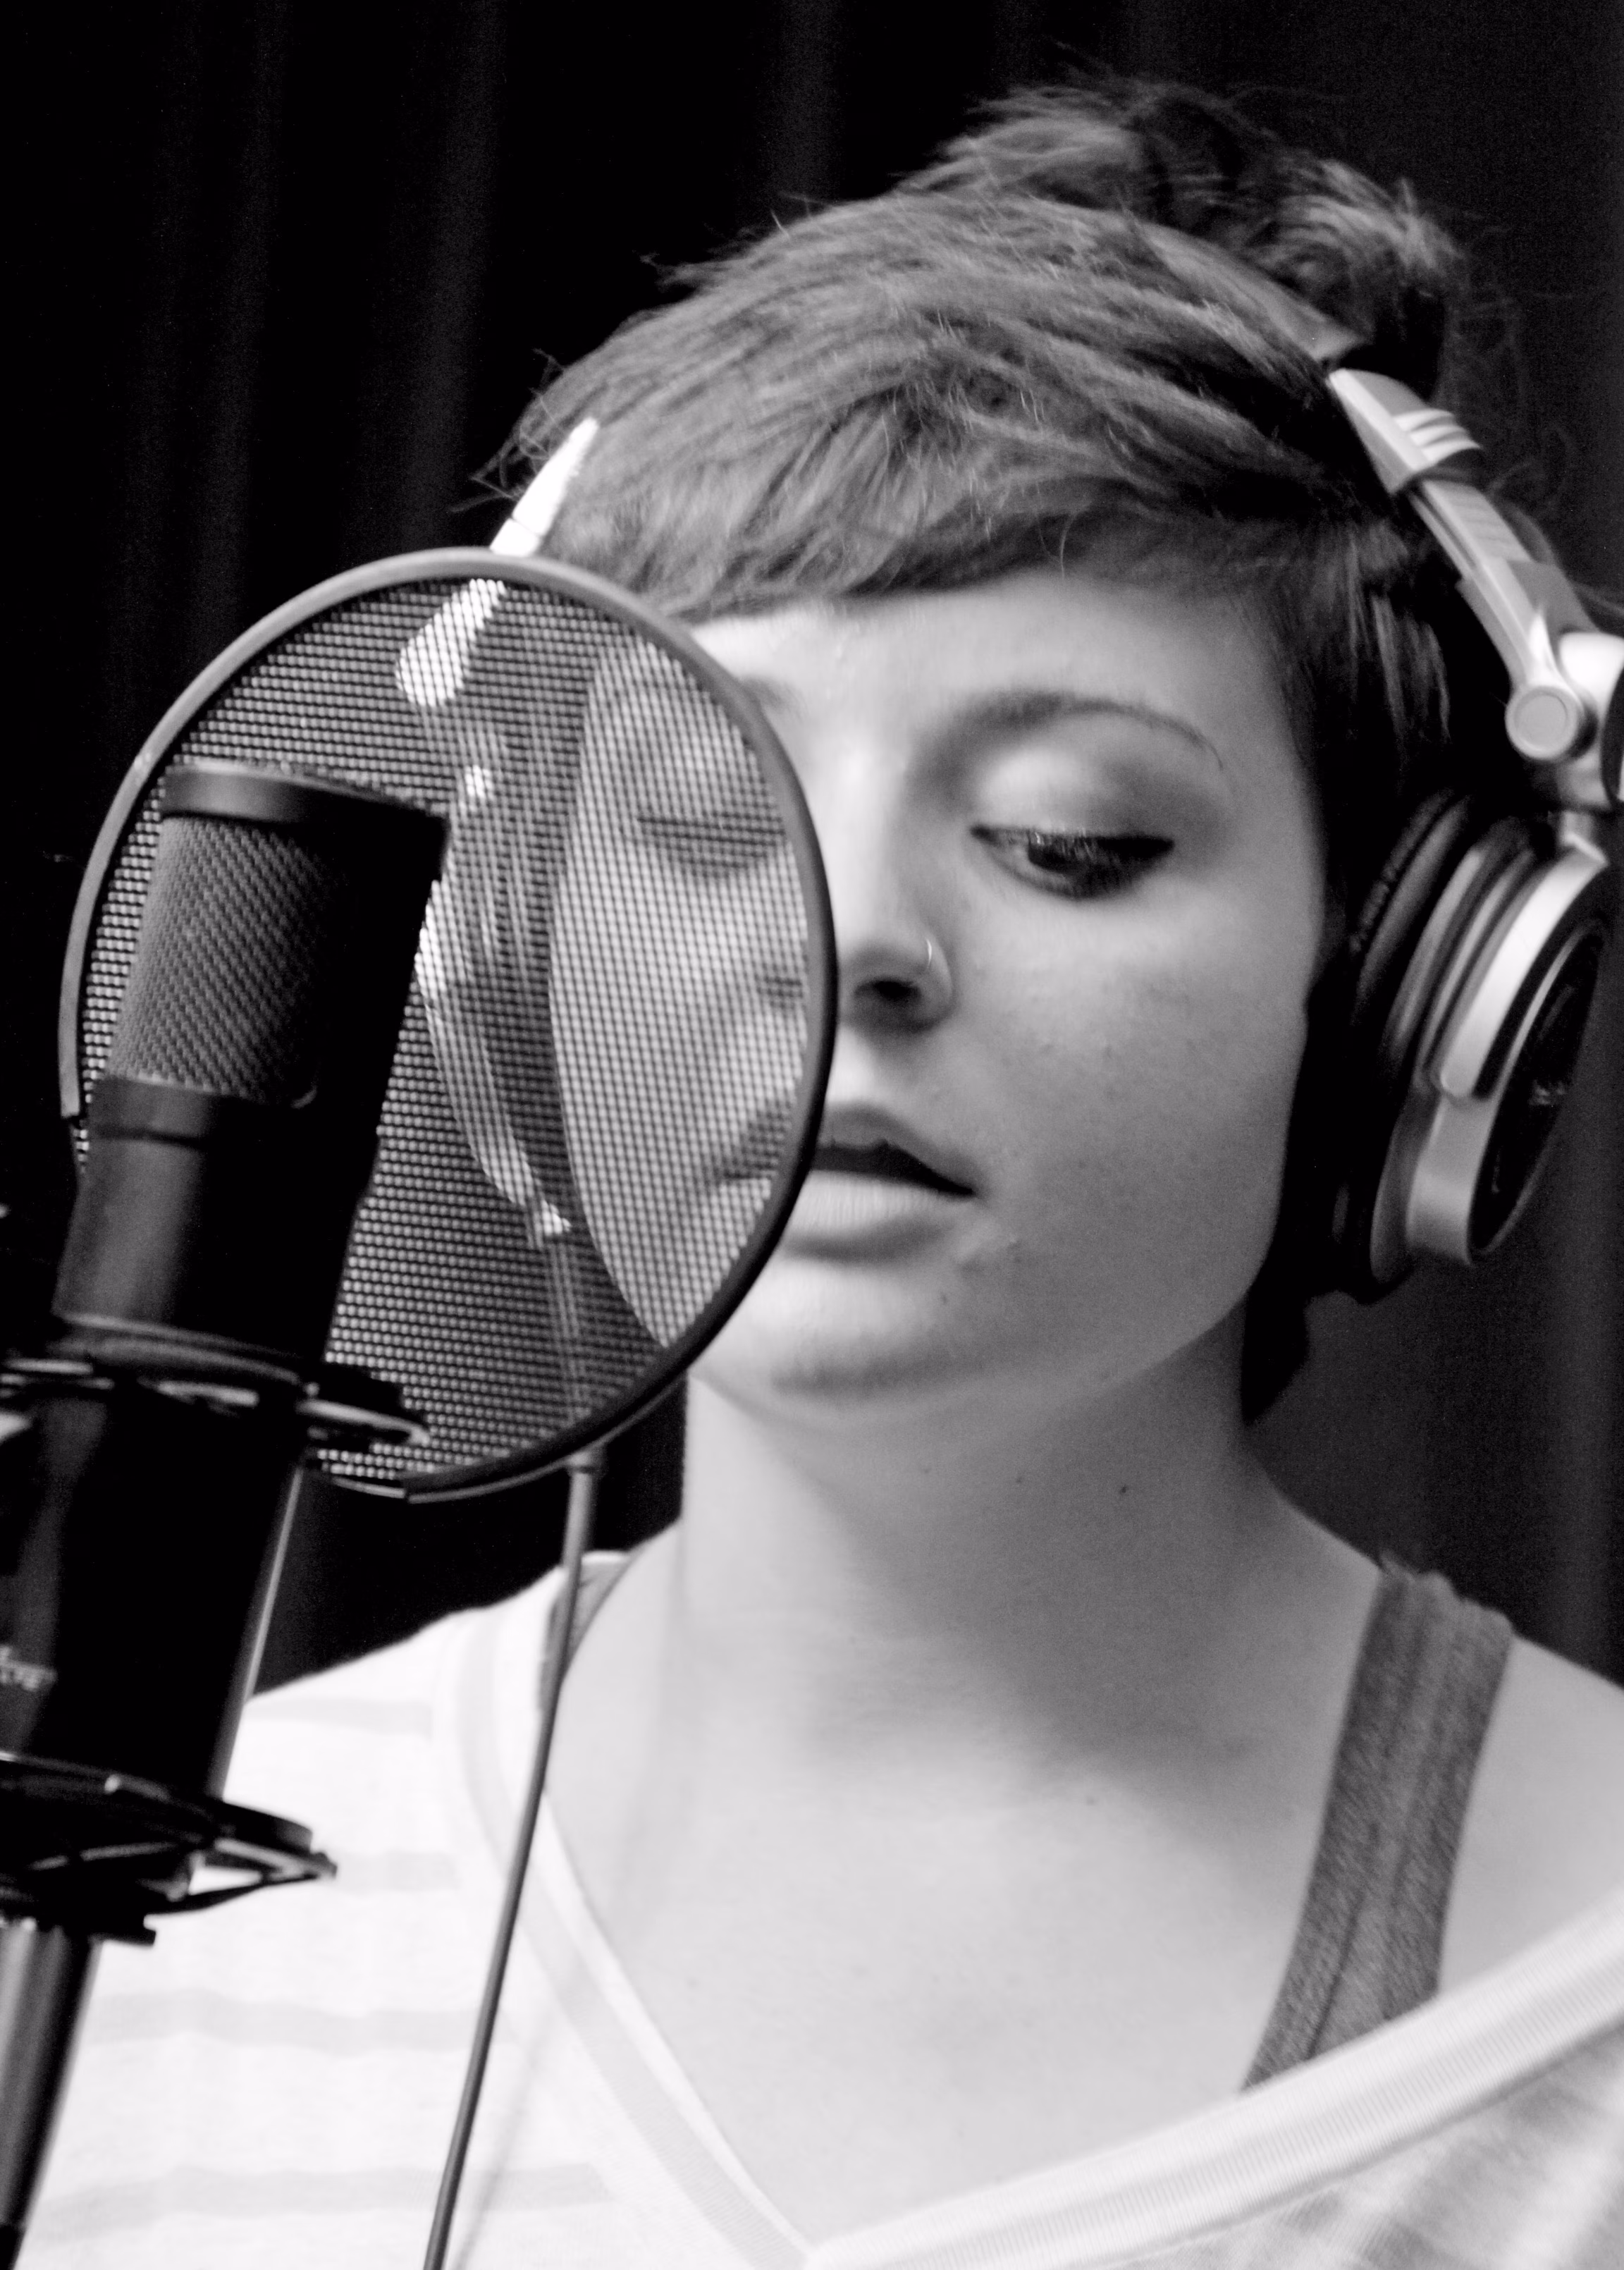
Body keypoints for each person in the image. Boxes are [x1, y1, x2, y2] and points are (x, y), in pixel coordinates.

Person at [32, 78, 1624, 2269]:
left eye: (1069, 838)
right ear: (502, 960)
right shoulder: (113, 1959)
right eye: (705, 819)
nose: (848, 936)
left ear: (1408, 997)